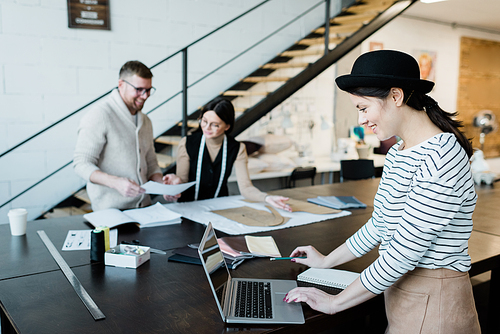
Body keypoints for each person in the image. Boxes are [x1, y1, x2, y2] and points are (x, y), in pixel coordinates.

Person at [284, 50, 481, 333]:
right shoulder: (399, 153)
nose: (361, 120)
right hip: (403, 292)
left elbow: (405, 250)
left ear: (396, 96)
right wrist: (327, 261)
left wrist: (335, 302)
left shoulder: (442, 154)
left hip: (435, 301)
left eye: (364, 108)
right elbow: (380, 225)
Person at [164, 98, 291, 211]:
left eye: (215, 125)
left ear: (227, 126)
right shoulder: (187, 143)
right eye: (204, 121)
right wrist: (175, 185)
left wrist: (267, 198)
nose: (207, 128)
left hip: (219, 208)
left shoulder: (237, 148)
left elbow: (246, 187)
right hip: (189, 208)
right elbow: (183, 180)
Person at [74, 60, 165, 211]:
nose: (144, 96)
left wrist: (163, 185)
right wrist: (115, 182)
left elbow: (151, 163)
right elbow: (81, 164)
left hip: (145, 208)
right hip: (111, 212)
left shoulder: (146, 121)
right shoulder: (100, 115)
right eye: (139, 89)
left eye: (148, 90)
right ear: (121, 85)